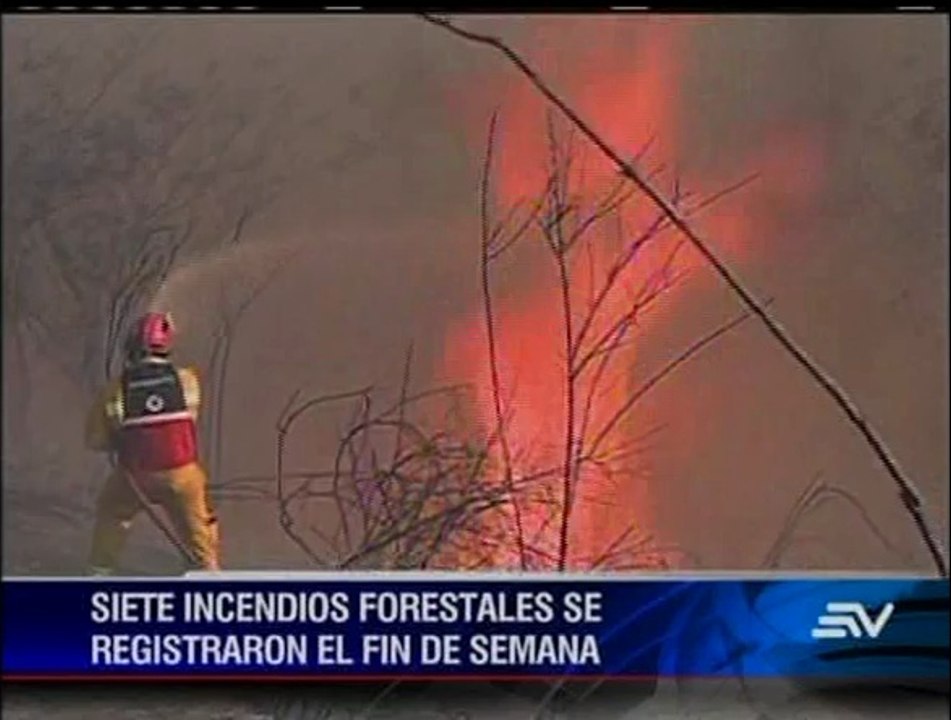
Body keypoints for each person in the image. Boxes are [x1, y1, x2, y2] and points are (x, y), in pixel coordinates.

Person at [84, 311, 220, 575]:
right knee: (201, 523)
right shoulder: (187, 380)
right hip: (183, 474)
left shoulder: (116, 389)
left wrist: (117, 439)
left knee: (113, 513)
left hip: (136, 477)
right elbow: (188, 419)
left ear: (132, 347)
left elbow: (96, 440)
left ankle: (99, 573)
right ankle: (207, 573)